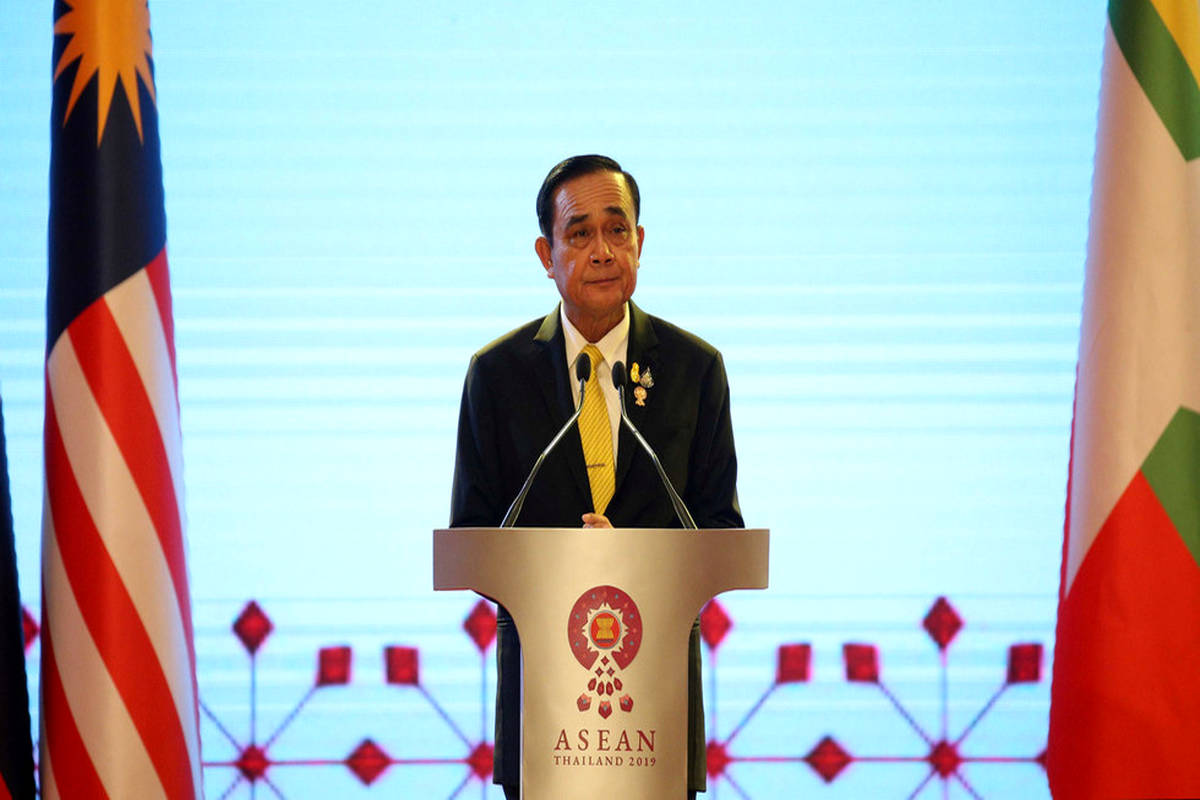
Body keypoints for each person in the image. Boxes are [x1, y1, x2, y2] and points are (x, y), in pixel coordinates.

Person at [450, 154, 743, 799]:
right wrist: (567, 566)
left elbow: (721, 530)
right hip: (544, 708)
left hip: (656, 708)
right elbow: (472, 537)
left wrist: (631, 561)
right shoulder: (496, 376)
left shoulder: (695, 370)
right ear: (546, 255)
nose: (603, 251)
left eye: (617, 230)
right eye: (580, 234)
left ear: (640, 242)